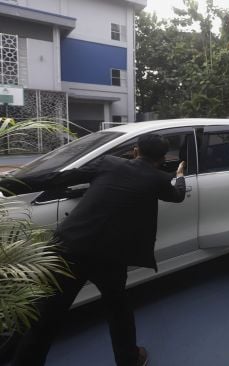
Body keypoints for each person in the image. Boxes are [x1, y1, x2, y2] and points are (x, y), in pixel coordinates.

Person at [2, 134, 186, 366]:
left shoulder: (109, 163)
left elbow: (58, 178)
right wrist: (179, 176)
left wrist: (9, 183)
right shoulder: (159, 179)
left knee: (47, 316)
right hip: (110, 256)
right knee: (118, 310)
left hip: (69, 246)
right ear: (162, 159)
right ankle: (129, 359)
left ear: (135, 151)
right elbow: (178, 196)